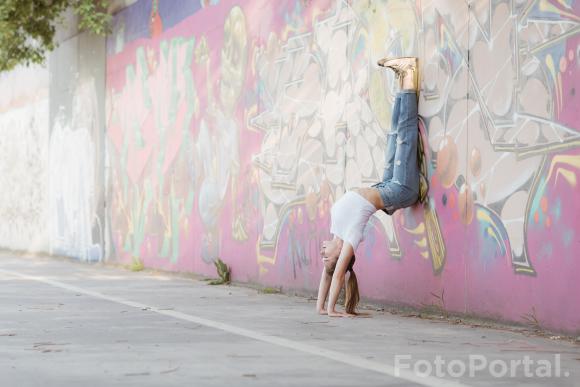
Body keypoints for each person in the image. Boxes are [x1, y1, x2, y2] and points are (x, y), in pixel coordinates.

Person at [316, 57, 421, 317]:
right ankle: (409, 73)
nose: (322, 254)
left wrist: (319, 307)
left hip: (384, 187)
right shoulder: (350, 237)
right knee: (405, 137)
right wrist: (332, 310)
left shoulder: (336, 232)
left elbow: (327, 276)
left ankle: (401, 78)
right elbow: (338, 273)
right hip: (400, 190)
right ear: (339, 254)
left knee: (393, 136)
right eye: (326, 258)